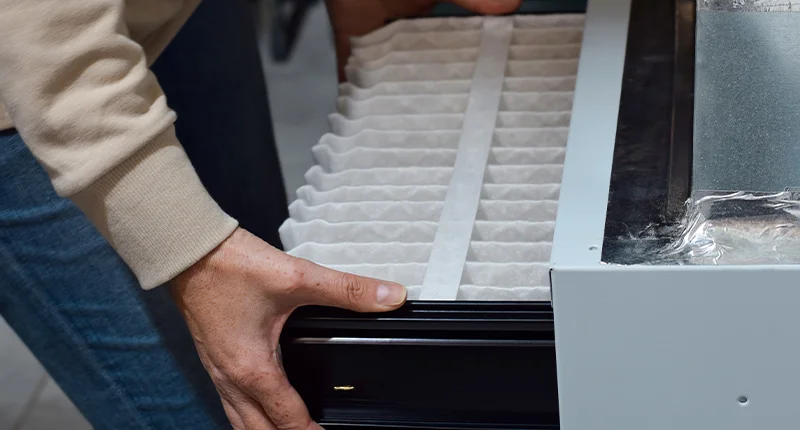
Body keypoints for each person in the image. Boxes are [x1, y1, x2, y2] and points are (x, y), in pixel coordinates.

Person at [0, 0, 520, 429]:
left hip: (180, 13)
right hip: (28, 66)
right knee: (232, 402)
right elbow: (37, 36)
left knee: (276, 325)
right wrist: (193, 253)